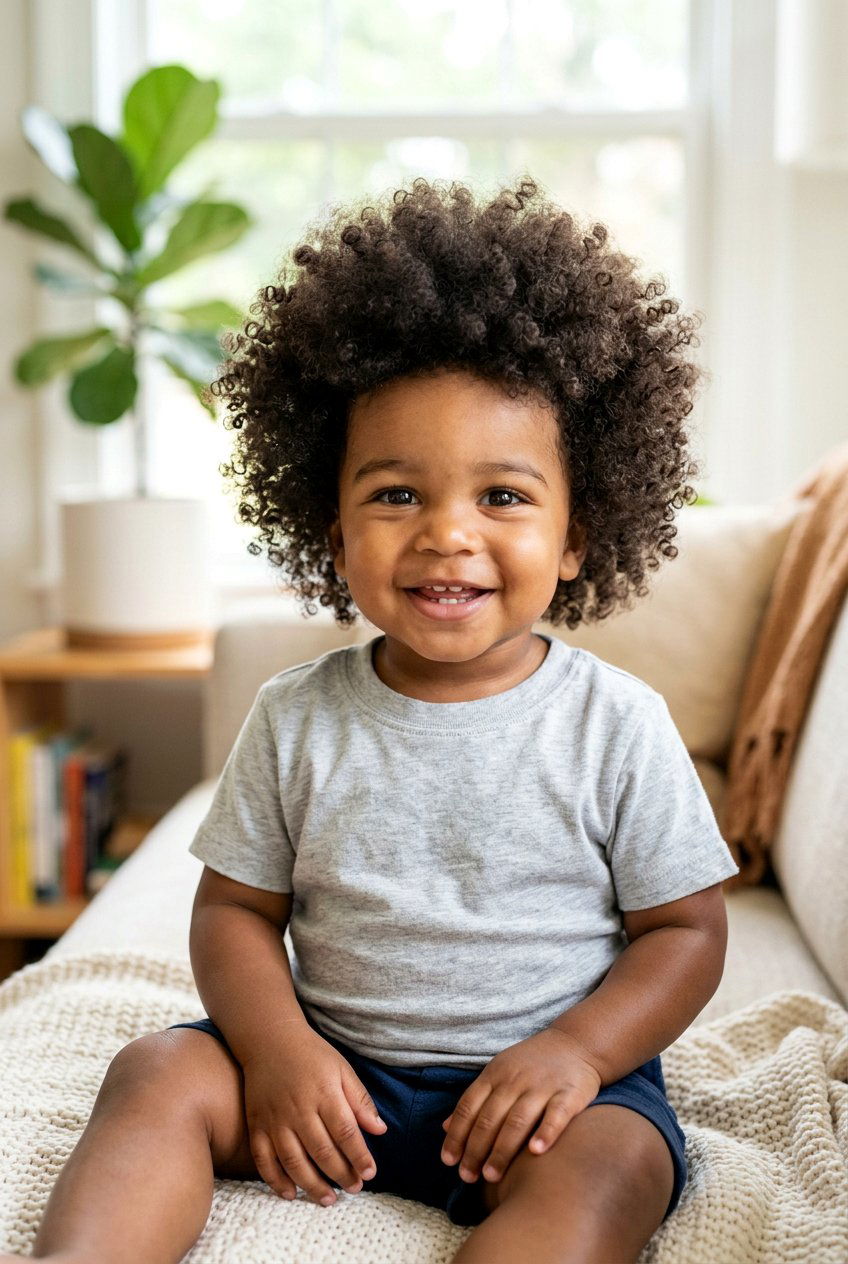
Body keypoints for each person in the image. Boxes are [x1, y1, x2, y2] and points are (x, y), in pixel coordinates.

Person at [12, 176, 740, 1264]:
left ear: (579, 533)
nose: (446, 535)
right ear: (330, 524)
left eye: (501, 496)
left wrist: (578, 1056)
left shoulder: (614, 724)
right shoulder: (294, 716)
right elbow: (234, 915)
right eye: (397, 494)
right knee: (157, 1071)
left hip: (536, 1101)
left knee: (615, 1163)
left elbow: (684, 932)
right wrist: (275, 1053)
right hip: (333, 1077)